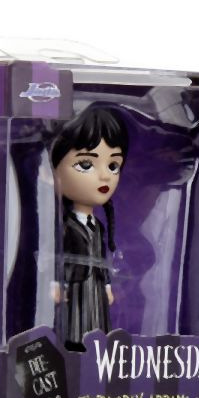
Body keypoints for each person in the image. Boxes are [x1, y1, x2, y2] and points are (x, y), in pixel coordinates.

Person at [50, 107, 129, 351]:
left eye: (113, 165)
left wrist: (107, 286)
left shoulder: (98, 227)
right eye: (86, 164)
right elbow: (54, 258)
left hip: (95, 288)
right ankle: (73, 348)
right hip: (74, 289)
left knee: (97, 327)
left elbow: (101, 259)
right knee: (75, 326)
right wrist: (56, 283)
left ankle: (95, 351)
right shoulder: (63, 226)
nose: (105, 176)